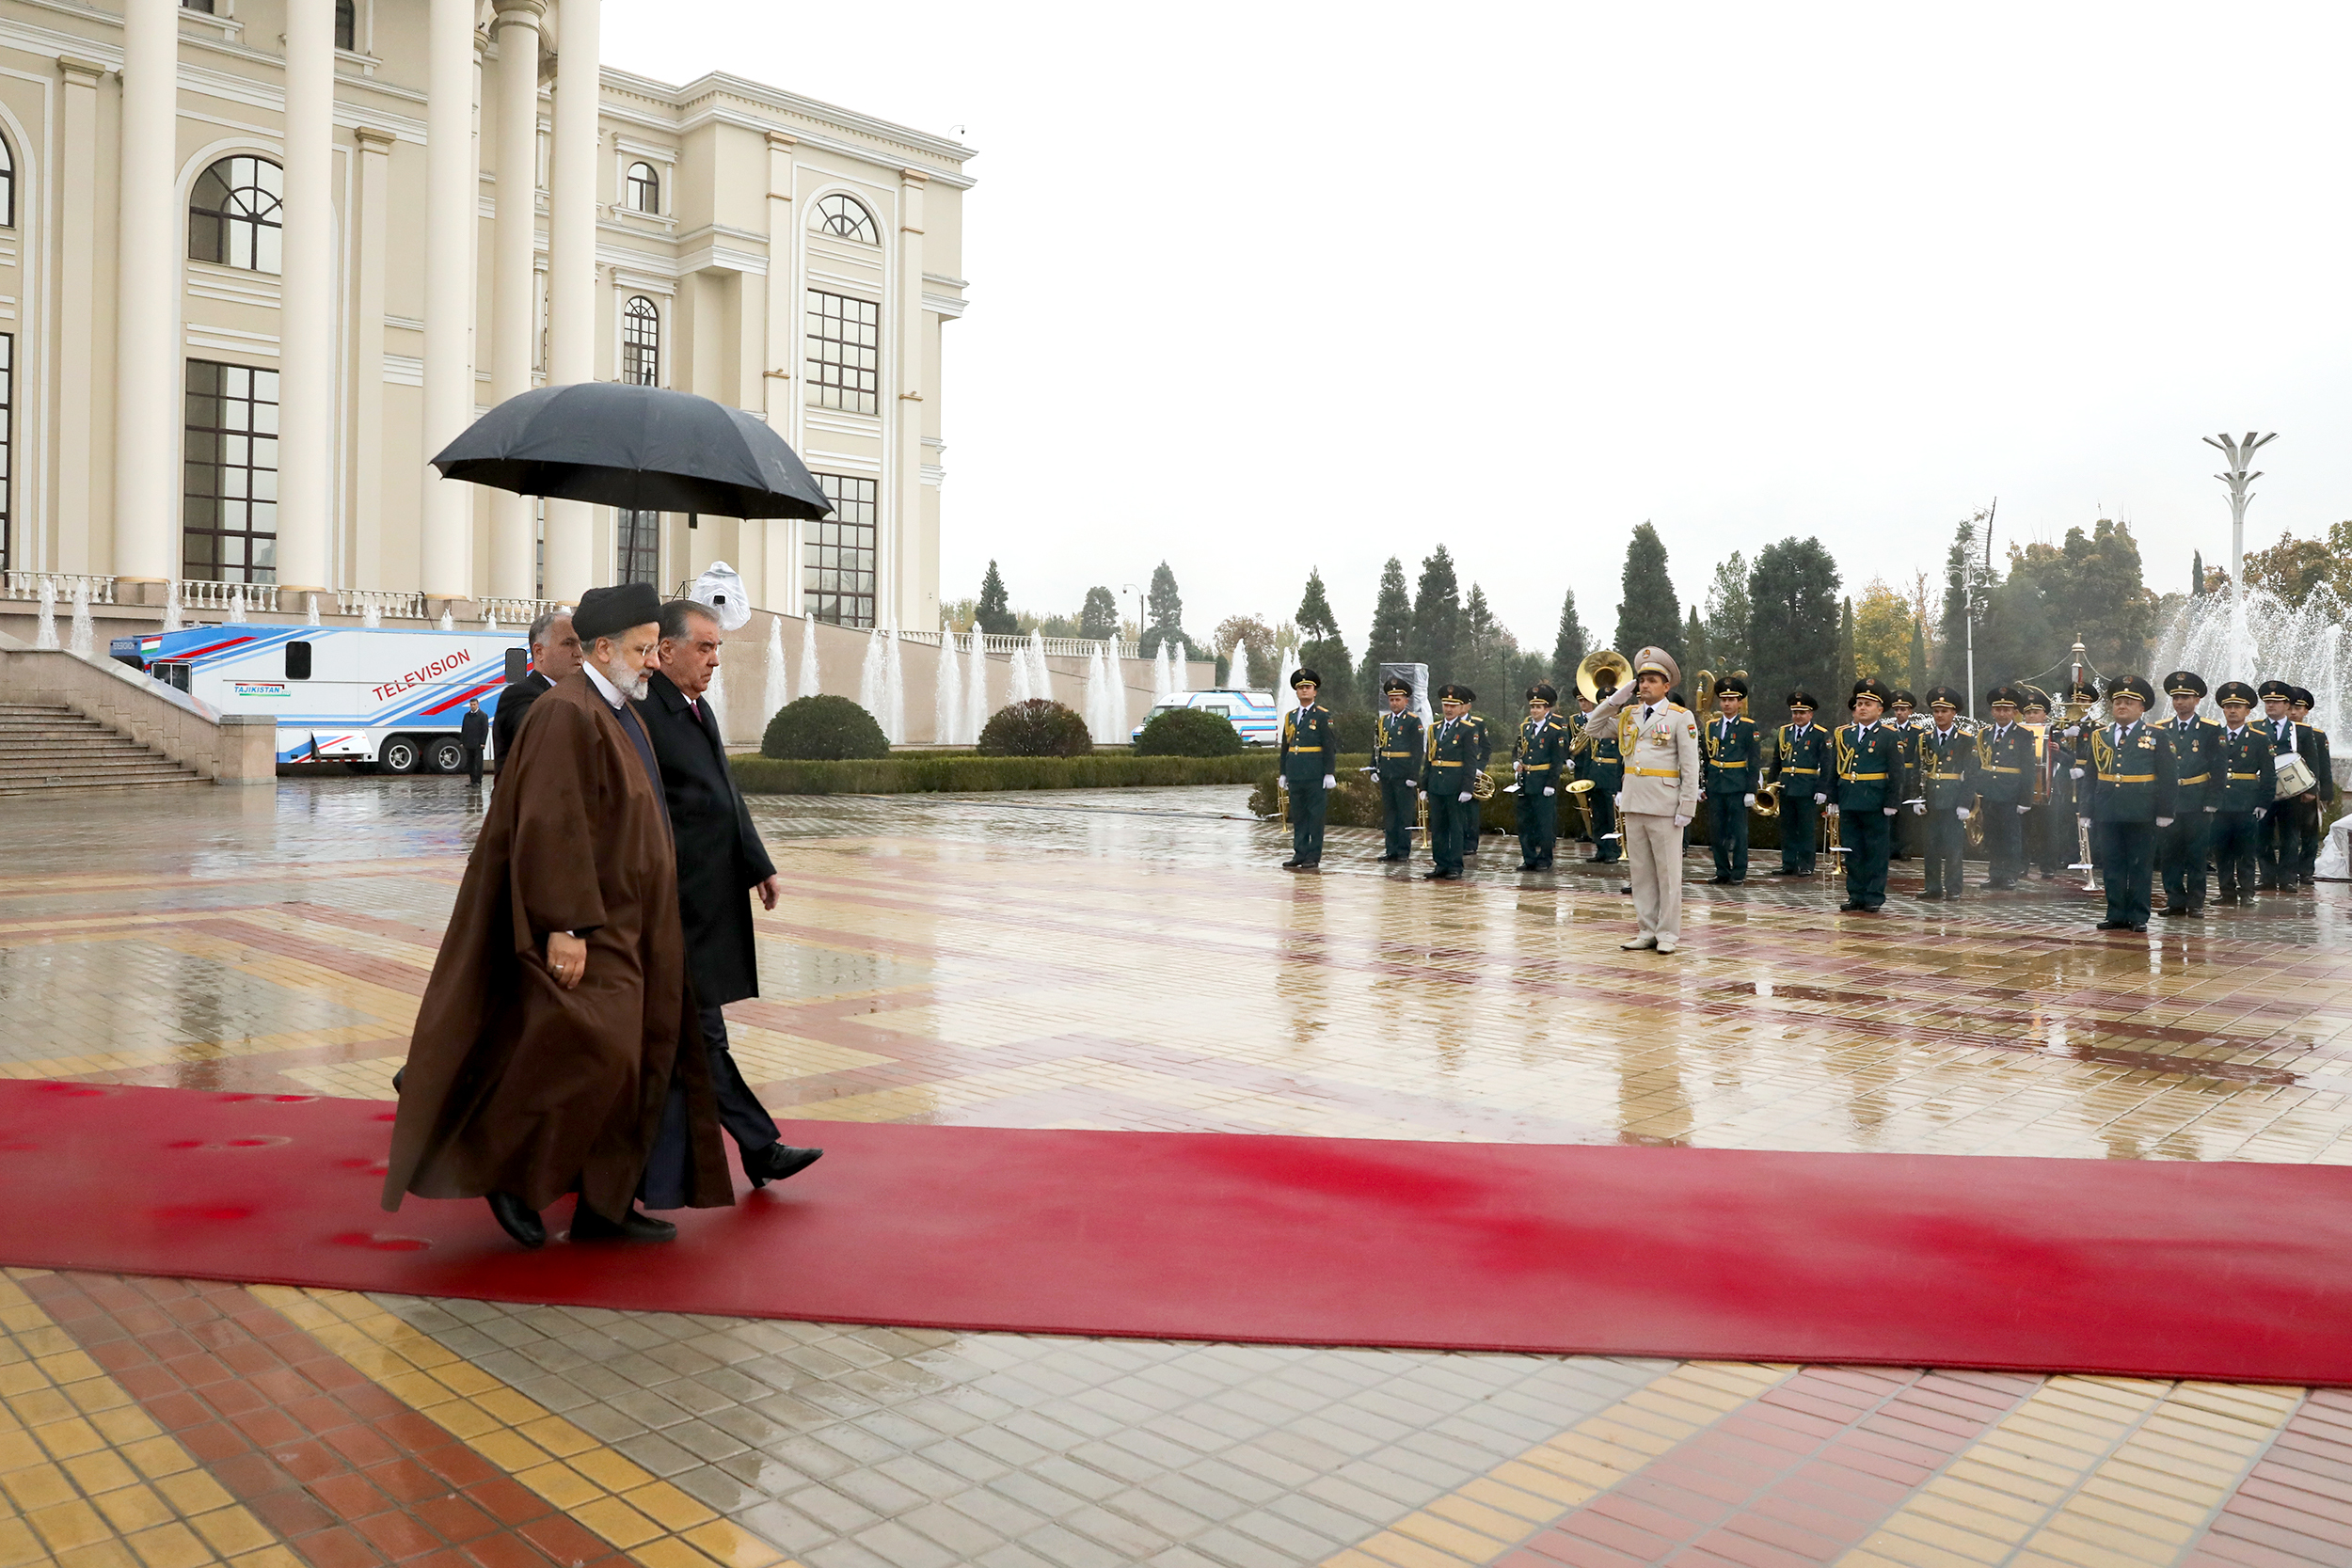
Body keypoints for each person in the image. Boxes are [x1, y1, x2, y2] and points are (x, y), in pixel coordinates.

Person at [382, 582, 731, 1249]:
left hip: (636, 926)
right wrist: (566, 925)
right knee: (592, 1057)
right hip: (592, 930)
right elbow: (552, 823)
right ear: (601, 649)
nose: (654, 662)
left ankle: (606, 1205)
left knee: (634, 1066)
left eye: (655, 648)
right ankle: (506, 1174)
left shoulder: (622, 711)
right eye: (640, 649)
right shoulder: (566, 713)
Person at [641, 599, 824, 1194]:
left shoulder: (696, 709)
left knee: (694, 1035)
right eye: (705, 647)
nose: (716, 659)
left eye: (718, 648)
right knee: (699, 1034)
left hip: (704, 905)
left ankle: (753, 1147)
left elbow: (726, 792)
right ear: (665, 650)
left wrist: (758, 863)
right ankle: (758, 1146)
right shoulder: (644, 714)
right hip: (671, 908)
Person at [1581, 648, 1699, 952]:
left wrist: (1687, 805)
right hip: (1633, 802)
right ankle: (1646, 929)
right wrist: (1615, 699)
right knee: (1641, 873)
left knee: (1668, 874)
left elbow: (1690, 766)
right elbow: (1592, 728)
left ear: (1666, 685)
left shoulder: (1679, 717)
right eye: (1641, 680)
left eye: (1652, 681)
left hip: (1664, 803)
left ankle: (1668, 934)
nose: (1644, 686)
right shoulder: (1628, 715)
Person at [2073, 673, 2175, 932]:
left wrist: (2165, 810)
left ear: (2142, 708)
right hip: (2108, 810)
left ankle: (2139, 915)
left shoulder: (2156, 736)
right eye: (2118, 701)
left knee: (2140, 866)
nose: (2122, 706)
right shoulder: (2100, 736)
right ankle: (2115, 912)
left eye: (2129, 702)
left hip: (2142, 810)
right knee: (2112, 864)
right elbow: (2091, 777)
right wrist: (2086, 810)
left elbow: (2168, 776)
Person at [1830, 679, 1903, 912]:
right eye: (1859, 703)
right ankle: (1856, 894)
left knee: (1875, 851)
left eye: (1868, 704)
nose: (1862, 708)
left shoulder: (1889, 735)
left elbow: (1897, 772)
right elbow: (1834, 768)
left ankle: (1873, 895)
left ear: (1880, 710)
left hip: (1875, 800)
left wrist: (1892, 802)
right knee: (1853, 851)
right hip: (1850, 798)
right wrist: (1833, 798)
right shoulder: (1845, 734)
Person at [2155, 671, 2221, 918]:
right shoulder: (2162, 729)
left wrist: (2213, 800)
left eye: (2185, 697)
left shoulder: (2210, 730)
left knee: (2196, 854)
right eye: (2176, 698)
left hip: (2197, 800)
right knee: (2169, 854)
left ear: (2197, 700)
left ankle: (2195, 902)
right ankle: (2175, 900)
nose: (2180, 702)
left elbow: (2218, 767)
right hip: (2170, 802)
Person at [2257, 680, 2323, 892]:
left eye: (2276, 702)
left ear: (2286, 705)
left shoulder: (2301, 731)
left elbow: (2313, 761)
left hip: (2293, 792)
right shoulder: (2256, 728)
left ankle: (2287, 878)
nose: (2271, 706)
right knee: (2262, 835)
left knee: (2290, 836)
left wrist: (2311, 790)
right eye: (2268, 702)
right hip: (2263, 792)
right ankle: (2267, 877)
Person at [493, 610, 582, 767]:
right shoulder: (520, 695)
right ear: (539, 651)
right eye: (568, 643)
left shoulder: (577, 694)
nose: (579, 653)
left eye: (581, 644)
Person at [1913, 687, 1977, 901]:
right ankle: (1932, 887)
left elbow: (1971, 773)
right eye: (1936, 711)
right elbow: (1917, 770)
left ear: (1954, 713)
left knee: (1953, 848)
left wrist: (1964, 803)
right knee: (1930, 847)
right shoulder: (1924, 738)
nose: (1939, 715)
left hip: (1953, 798)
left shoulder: (1965, 740)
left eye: (1944, 711)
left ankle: (1954, 887)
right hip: (1931, 798)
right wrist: (1917, 798)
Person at [1422, 684, 1489, 880]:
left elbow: (1470, 761)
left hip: (1455, 785)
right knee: (1439, 827)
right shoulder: (1434, 729)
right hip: (1436, 784)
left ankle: (1455, 866)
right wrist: (1424, 785)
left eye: (1453, 705)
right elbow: (1429, 759)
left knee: (1455, 827)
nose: (1448, 709)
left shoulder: (1468, 730)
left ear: (1461, 708)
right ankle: (1440, 864)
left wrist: (1467, 788)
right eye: (1445, 704)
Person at [2210, 681, 2269, 906]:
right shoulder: (2214, 737)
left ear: (2248, 711)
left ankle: (2247, 893)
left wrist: (2263, 803)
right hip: (2220, 803)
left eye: (2238, 706)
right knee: (2221, 850)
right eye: (2228, 706)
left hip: (2247, 802)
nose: (2232, 711)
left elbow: (2268, 774)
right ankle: (2226, 892)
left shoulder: (2259, 738)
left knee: (2246, 851)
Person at [1700, 675, 1759, 884]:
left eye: (1732, 700)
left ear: (1739, 702)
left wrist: (1751, 789)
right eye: (1724, 700)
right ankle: (1722, 870)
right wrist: (1702, 785)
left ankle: (1739, 872)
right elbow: (1706, 758)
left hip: (1737, 784)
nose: (1727, 704)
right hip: (1716, 784)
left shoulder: (1748, 726)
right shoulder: (1712, 726)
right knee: (1716, 832)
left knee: (1738, 832)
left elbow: (1754, 759)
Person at [1277, 668, 1336, 871]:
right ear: (1296, 691)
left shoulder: (1322, 716)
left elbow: (1329, 745)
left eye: (1308, 687)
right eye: (1300, 688)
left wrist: (1329, 772)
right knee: (1299, 815)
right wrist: (1283, 772)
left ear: (1315, 691)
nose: (1304, 691)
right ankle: (1299, 853)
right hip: (1295, 772)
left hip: (1314, 773)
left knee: (1315, 816)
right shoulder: (1291, 716)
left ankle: (1313, 855)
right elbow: (1286, 746)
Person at [1975, 687, 2034, 888]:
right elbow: (1980, 763)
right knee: (1992, 834)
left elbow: (2028, 768)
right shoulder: (1985, 734)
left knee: (2010, 836)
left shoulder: (2024, 735)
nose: (2002, 714)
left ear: (2014, 712)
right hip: (1989, 792)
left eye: (2006, 710)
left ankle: (2009, 874)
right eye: (1998, 709)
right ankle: (1995, 873)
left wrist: (2026, 799)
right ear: (1992, 711)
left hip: (2011, 792)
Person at [1768, 692, 1828, 876]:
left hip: (1807, 787)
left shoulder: (1820, 734)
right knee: (1787, 827)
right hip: (1787, 786)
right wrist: (1771, 786)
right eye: (1795, 712)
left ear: (1811, 714)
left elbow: (1827, 764)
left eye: (1802, 712)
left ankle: (1806, 864)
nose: (1798, 716)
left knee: (1805, 828)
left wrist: (1822, 789)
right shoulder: (1784, 732)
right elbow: (1777, 760)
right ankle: (1789, 863)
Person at [1513, 682, 1570, 870]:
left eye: (1538, 707)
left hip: (1543, 781)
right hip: (1526, 781)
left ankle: (1545, 858)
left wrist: (1551, 783)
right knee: (1525, 823)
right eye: (1532, 707)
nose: (1534, 710)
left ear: (1547, 709)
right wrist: (1516, 762)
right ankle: (1529, 858)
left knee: (1544, 823)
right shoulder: (1525, 728)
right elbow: (1517, 749)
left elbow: (1557, 759)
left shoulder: (1555, 730)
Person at [1374, 676, 1422, 863]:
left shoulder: (1412, 721)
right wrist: (1374, 768)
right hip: (1387, 772)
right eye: (1392, 700)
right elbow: (1377, 746)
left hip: (1403, 774)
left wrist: (1413, 775)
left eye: (1398, 699)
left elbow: (1418, 750)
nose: (1394, 703)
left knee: (1404, 814)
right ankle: (1391, 849)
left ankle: (1403, 850)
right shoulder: (1383, 721)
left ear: (1406, 701)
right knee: (1390, 813)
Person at [2289, 688, 2334, 889]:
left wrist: (2324, 793)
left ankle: (2306, 870)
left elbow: (2324, 766)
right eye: (2290, 707)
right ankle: (2286, 871)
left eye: (2298, 708)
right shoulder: (2275, 732)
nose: (2293, 712)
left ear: (2306, 711)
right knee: (2286, 833)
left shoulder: (2316, 735)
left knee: (2309, 833)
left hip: (2308, 792)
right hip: (2283, 793)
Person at [1577, 685, 1625, 863]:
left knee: (1612, 816)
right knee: (1598, 815)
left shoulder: (1622, 723)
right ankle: (1601, 849)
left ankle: (1613, 851)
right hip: (1596, 774)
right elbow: (1591, 753)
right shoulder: (1597, 727)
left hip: (1612, 775)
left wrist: (1620, 782)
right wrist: (1586, 777)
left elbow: (1623, 756)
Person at [1886, 689, 1920, 862]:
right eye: (1897, 709)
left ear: (1910, 712)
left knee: (1907, 816)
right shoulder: (1888, 731)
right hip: (1892, 775)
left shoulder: (1917, 732)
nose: (1899, 712)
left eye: (1903, 709)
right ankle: (1890, 847)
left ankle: (1905, 848)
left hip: (1908, 775)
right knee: (1890, 813)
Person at [459, 699, 489, 785]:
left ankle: (478, 780)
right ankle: (472, 780)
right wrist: (462, 741)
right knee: (470, 763)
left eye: (474, 704)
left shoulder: (483, 715)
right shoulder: (467, 716)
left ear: (478, 705)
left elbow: (485, 730)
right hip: (469, 743)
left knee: (478, 763)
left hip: (478, 743)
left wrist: (483, 742)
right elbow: (464, 729)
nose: (472, 706)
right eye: (471, 704)